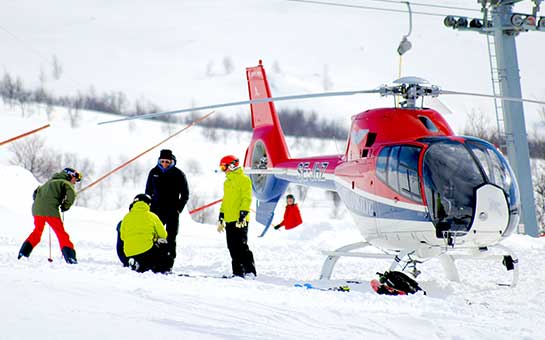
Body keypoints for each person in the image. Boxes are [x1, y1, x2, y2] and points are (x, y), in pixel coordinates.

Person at [18, 168, 82, 264]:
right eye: (75, 179)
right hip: (50, 211)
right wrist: (65, 206)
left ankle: (23, 252)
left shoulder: (49, 182)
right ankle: (70, 258)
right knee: (61, 233)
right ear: (69, 175)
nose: (75, 182)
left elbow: (35, 194)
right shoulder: (65, 183)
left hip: (36, 210)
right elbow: (71, 195)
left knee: (37, 231)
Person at [145, 149, 189, 266]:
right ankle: (153, 260)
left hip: (172, 211)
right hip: (155, 210)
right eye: (163, 161)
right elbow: (148, 191)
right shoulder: (153, 172)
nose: (165, 164)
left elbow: (185, 194)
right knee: (154, 235)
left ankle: (169, 262)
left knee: (171, 236)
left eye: (167, 162)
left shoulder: (179, 174)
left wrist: (179, 209)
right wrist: (148, 207)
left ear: (172, 161)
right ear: (159, 161)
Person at [217, 155, 256, 278]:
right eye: (222, 167)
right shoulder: (227, 182)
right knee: (232, 247)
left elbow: (247, 198)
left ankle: (249, 271)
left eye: (224, 167)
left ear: (232, 165)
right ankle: (238, 272)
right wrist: (221, 214)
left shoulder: (244, 179)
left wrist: (243, 213)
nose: (224, 170)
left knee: (241, 246)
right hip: (229, 219)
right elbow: (225, 200)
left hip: (240, 220)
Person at [120, 194, 170, 273]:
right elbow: (163, 235)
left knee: (140, 254)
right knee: (163, 244)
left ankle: (135, 262)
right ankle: (162, 269)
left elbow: (122, 237)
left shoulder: (126, 217)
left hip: (128, 252)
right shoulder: (152, 216)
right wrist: (155, 237)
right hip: (146, 252)